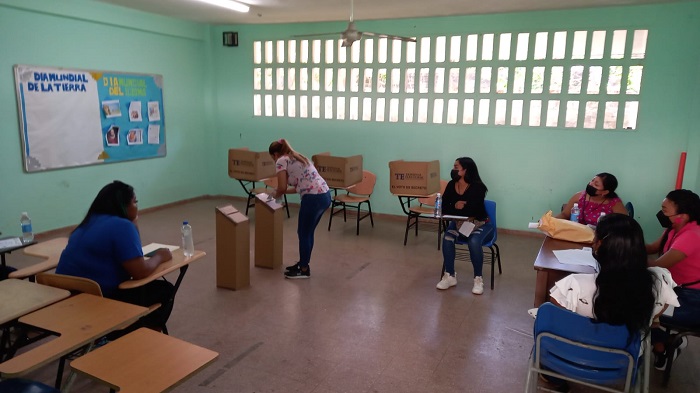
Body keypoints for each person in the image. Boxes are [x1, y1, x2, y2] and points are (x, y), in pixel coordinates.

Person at [57, 181, 174, 334]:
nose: (137, 206)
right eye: (134, 202)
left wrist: (133, 223)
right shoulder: (121, 226)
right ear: (123, 205)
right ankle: (137, 335)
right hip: (100, 300)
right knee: (165, 289)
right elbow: (140, 272)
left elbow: (134, 250)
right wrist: (160, 256)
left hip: (70, 298)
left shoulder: (88, 222)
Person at [647, 189, 700, 369]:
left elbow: (657, 265)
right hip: (673, 289)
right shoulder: (673, 229)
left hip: (691, 300)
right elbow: (652, 247)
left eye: (664, 210)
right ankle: (664, 345)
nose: (661, 214)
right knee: (637, 302)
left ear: (682, 216)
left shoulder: (691, 236)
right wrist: (626, 239)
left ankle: (664, 344)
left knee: (641, 308)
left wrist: (622, 252)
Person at [268, 139, 331, 279]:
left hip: (313, 198)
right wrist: (278, 191)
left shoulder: (281, 161)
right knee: (307, 233)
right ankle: (304, 264)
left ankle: (303, 270)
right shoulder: (297, 157)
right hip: (324, 195)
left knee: (303, 233)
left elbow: (282, 187)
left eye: (272, 157)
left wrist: (273, 195)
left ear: (275, 154)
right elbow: (299, 187)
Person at [436, 157, 492, 295]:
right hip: (458, 223)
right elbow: (443, 207)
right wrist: (456, 205)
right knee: (447, 238)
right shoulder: (451, 185)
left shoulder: (478, 187)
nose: (453, 170)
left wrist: (453, 207)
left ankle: (478, 278)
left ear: (466, 170)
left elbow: (472, 211)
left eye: (456, 167)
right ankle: (450, 275)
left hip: (479, 224)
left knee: (473, 241)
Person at [557, 173, 628, 226]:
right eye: (592, 180)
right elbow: (565, 214)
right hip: (578, 233)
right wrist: (551, 221)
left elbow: (624, 223)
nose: (591, 184)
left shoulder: (614, 203)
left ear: (605, 192)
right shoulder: (579, 196)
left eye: (596, 185)